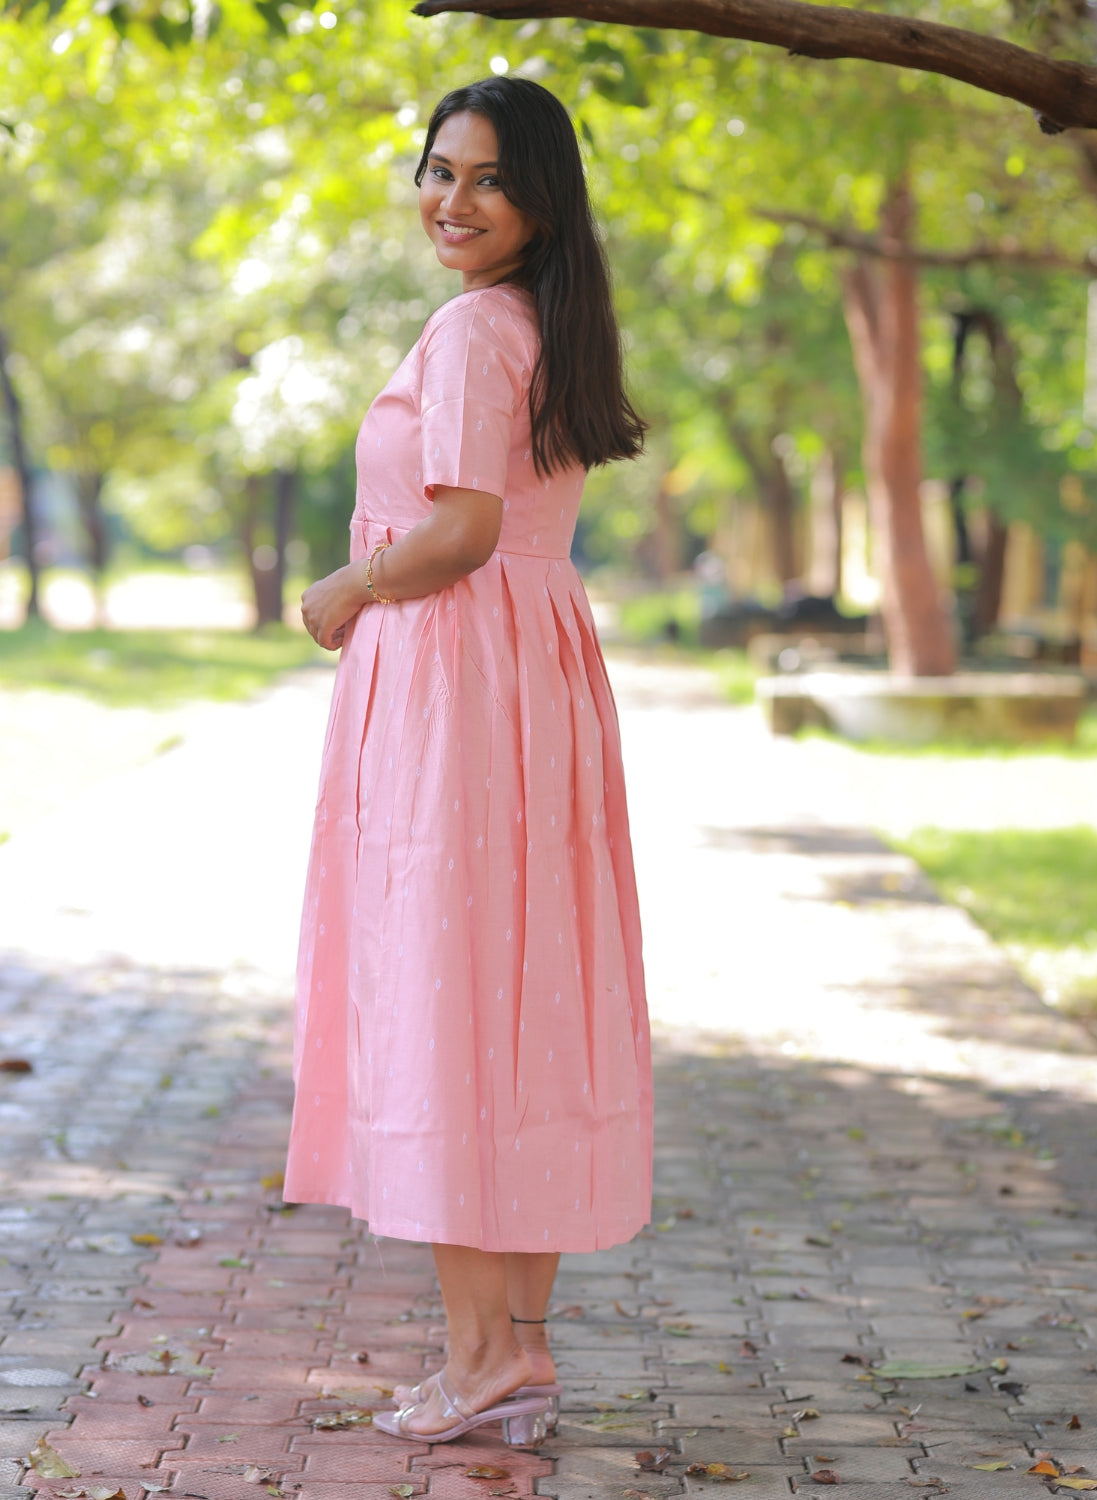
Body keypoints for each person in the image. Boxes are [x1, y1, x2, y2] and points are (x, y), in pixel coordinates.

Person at [282, 76, 653, 1448]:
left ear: (542, 198)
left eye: (487, 178)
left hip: (452, 675)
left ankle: (484, 1352)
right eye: (438, 170)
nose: (452, 198)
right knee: (526, 991)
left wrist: (346, 587)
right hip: (534, 677)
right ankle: (516, 1355)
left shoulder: (466, 331)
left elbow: (460, 532)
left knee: (446, 993)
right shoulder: (547, 332)